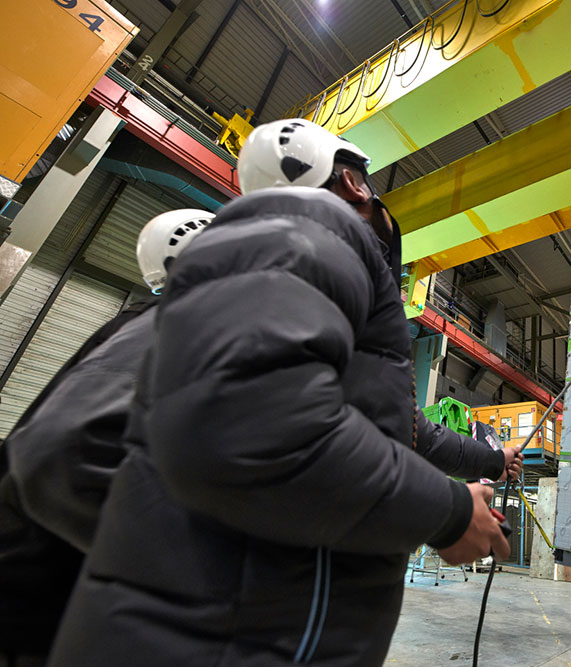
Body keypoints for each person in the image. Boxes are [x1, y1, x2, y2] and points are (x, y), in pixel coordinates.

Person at [47, 119, 514, 667]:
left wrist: (488, 459)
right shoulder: (304, 245)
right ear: (354, 183)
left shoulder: (308, 282)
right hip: (227, 634)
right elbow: (261, 429)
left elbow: (402, 427)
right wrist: (446, 512)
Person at [0, 209, 213, 663]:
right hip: (38, 602)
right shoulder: (174, 325)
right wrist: (180, 573)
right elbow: (59, 453)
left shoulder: (149, 323)